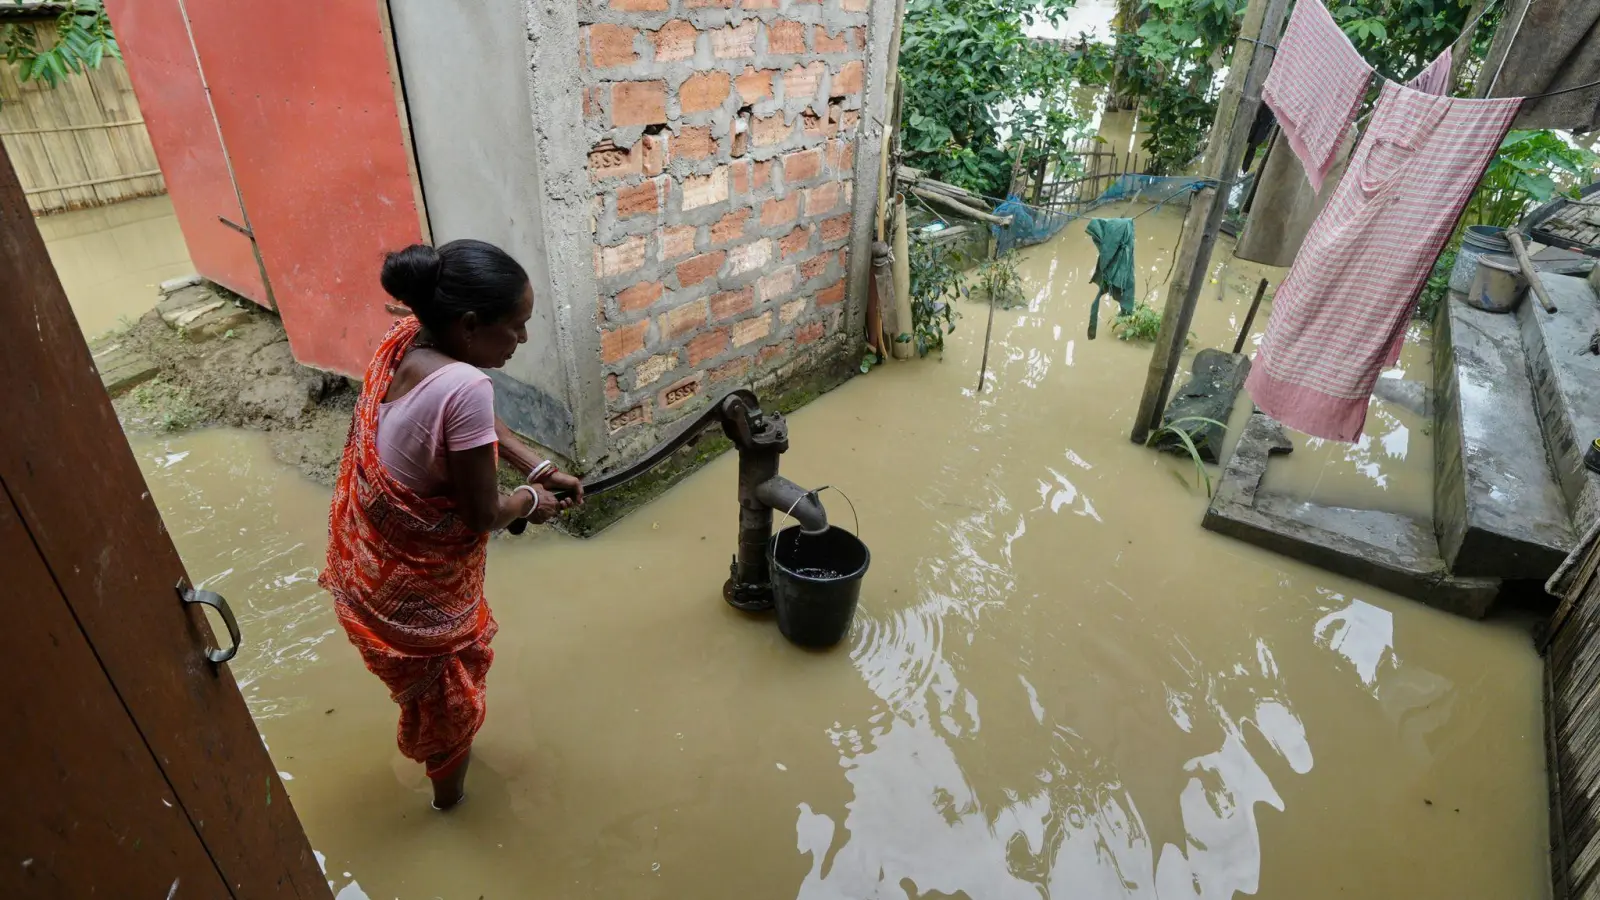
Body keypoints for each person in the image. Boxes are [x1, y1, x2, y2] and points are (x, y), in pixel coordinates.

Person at [319, 239, 583, 810]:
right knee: (448, 713)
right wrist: (530, 501)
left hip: (363, 570)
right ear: (468, 325)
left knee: (429, 701)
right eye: (517, 327)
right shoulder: (466, 386)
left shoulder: (407, 340)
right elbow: (482, 515)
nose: (525, 339)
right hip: (412, 607)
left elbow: (466, 422)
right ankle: (449, 806)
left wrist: (534, 464)